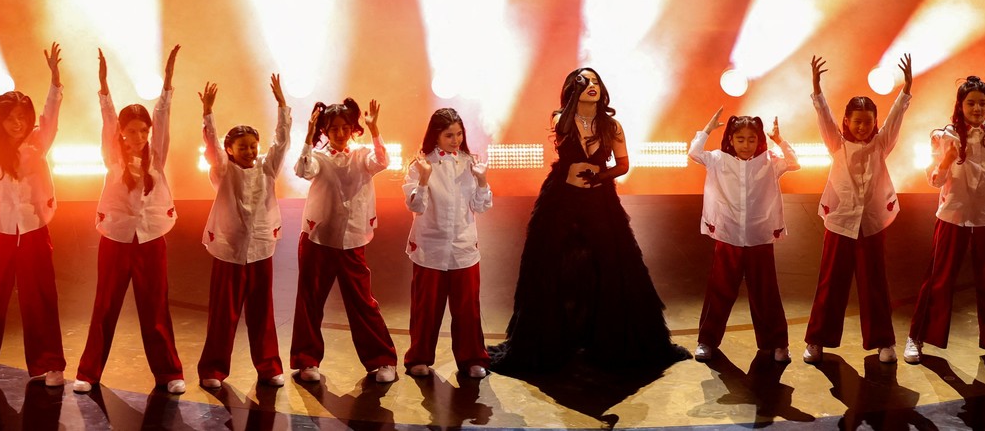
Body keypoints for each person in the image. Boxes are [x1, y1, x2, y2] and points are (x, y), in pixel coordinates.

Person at [488, 67, 689, 374]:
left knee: (611, 263)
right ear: (572, 90)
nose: (591, 86)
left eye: (595, 82)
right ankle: (552, 340)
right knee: (552, 265)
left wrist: (601, 175)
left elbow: (623, 164)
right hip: (561, 200)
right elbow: (568, 131)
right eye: (583, 83)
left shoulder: (613, 125)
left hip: (599, 200)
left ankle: (607, 339)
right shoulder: (561, 118)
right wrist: (574, 100)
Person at [74, 46, 186, 394]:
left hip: (151, 238)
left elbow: (164, 116)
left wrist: (167, 83)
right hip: (117, 238)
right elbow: (108, 118)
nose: (138, 137)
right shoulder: (113, 157)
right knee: (105, 305)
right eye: (132, 131)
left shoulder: (157, 156)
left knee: (155, 307)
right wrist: (104, 86)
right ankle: (89, 373)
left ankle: (169, 373)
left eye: (143, 131)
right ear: (121, 133)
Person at [0, 45, 67, 389]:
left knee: (41, 298)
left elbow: (51, 114)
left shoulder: (39, 143)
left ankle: (49, 364)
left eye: (23, 116)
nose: (18, 123)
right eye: (10, 117)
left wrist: (55, 81)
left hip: (34, 230)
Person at [906, 75, 985, 366]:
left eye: (982, 103)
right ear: (960, 105)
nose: (977, 108)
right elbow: (934, 180)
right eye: (971, 102)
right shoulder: (944, 135)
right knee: (938, 279)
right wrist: (947, 158)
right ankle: (917, 337)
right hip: (953, 214)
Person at [803, 53, 913, 365]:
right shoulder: (837, 144)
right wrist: (816, 88)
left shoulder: (881, 145)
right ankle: (816, 341)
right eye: (857, 121)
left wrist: (906, 90)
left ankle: (883, 342)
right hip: (840, 223)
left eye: (868, 122)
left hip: (872, 223)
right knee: (830, 283)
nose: (863, 127)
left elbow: (895, 118)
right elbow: (823, 116)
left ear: (875, 123)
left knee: (875, 283)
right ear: (846, 122)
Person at [290, 97, 399, 383]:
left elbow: (382, 161)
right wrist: (307, 135)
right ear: (325, 131)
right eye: (333, 129)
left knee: (362, 301)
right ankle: (306, 360)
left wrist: (375, 130)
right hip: (317, 237)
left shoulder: (362, 154)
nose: (339, 133)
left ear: (353, 129)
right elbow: (302, 170)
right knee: (310, 300)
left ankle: (383, 360)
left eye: (344, 128)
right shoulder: (318, 156)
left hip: (351, 239)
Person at [196, 74, 291, 389]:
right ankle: (213, 370)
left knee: (262, 312)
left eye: (253, 146)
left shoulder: (266, 169)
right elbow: (211, 146)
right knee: (224, 313)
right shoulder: (223, 172)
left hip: (261, 248)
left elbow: (282, 142)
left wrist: (281, 105)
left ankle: (268, 367)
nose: (250, 151)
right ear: (230, 149)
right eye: (243, 147)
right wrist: (208, 113)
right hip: (229, 250)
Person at [688, 111, 799, 363]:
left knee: (766, 292)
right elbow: (694, 153)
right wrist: (706, 129)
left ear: (759, 140)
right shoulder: (718, 159)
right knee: (720, 290)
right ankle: (707, 340)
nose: (746, 145)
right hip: (728, 236)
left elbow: (794, 162)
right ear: (731, 139)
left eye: (751, 139)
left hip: (759, 237)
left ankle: (778, 343)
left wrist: (779, 140)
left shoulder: (769, 161)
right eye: (740, 139)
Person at [402, 108, 492, 379]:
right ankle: (418, 358)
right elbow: (416, 206)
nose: (456, 140)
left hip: (464, 246)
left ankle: (473, 358)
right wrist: (426, 177)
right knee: (426, 307)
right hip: (430, 246)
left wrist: (482, 180)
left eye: (459, 134)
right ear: (436, 137)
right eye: (449, 135)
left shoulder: (470, 162)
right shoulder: (420, 164)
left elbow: (481, 205)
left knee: (467, 307)